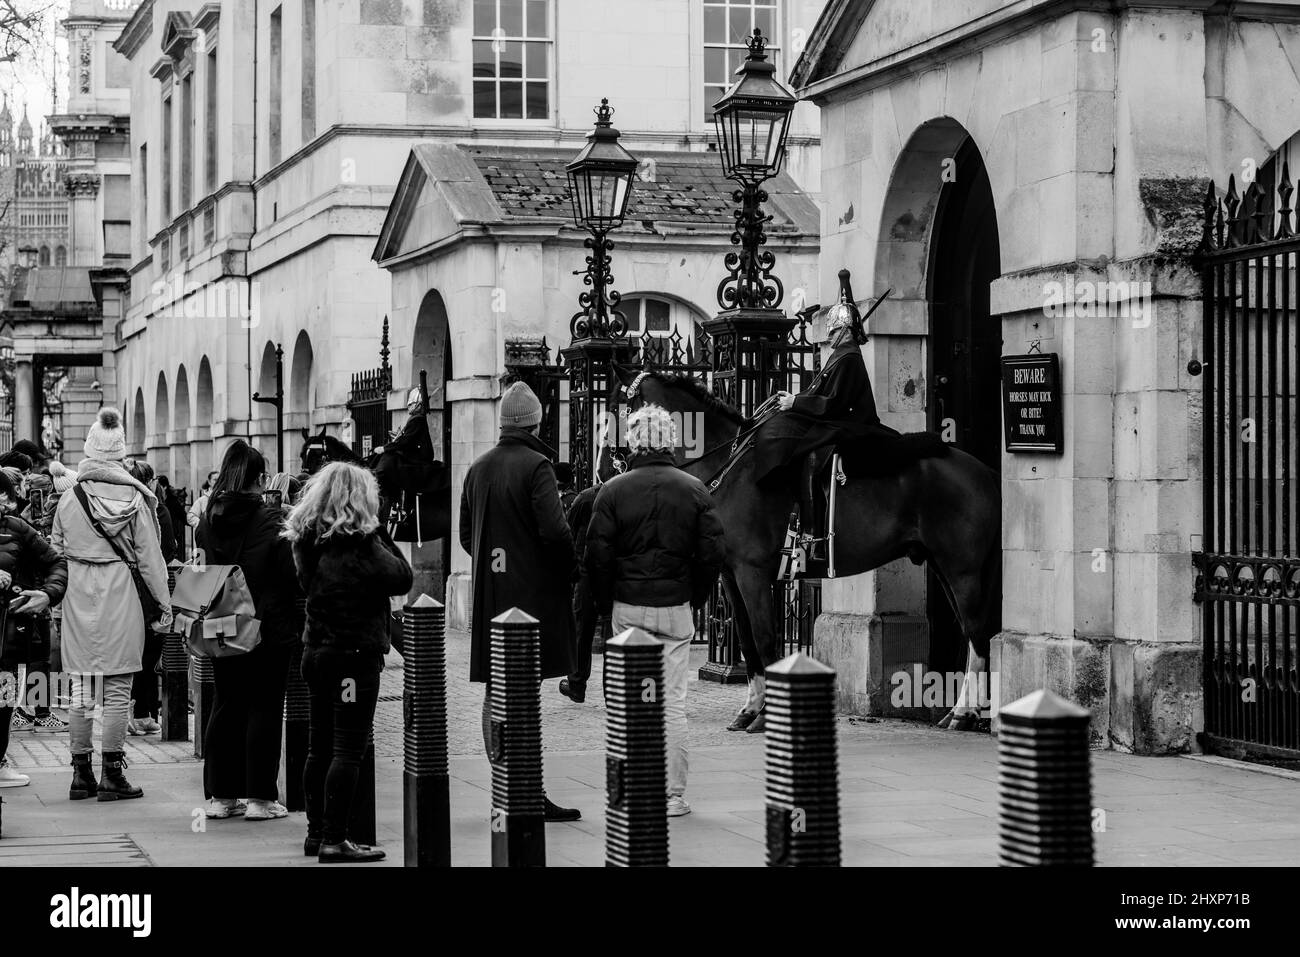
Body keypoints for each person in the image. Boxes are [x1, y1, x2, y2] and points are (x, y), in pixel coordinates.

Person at [585, 404, 726, 818]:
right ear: (669, 440)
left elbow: (597, 556)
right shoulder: (695, 489)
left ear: (632, 440)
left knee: (630, 703)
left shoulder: (612, 491)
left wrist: (606, 601)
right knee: (673, 703)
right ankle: (673, 794)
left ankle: (631, 789)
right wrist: (693, 596)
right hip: (675, 606)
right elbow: (712, 553)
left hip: (628, 606)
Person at [459, 381, 581, 822]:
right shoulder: (538, 466)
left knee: (498, 686)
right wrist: (566, 570)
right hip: (531, 596)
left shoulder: (476, 468)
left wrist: (498, 566)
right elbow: (555, 530)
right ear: (536, 421)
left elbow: (467, 537)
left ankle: (505, 781)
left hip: (493, 595)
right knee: (525, 691)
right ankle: (524, 787)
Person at [284, 461, 412, 862]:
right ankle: (335, 838)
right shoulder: (360, 543)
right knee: (347, 749)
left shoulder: (307, 539)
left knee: (318, 746)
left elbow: (306, 584)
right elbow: (402, 577)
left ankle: (316, 832)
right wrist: (379, 529)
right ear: (360, 499)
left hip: (316, 651)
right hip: (352, 655)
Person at [52, 407, 171, 802]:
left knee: (82, 687)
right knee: (119, 687)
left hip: (77, 595)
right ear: (120, 453)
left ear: (88, 449)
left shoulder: (70, 498)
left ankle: (80, 775)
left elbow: (56, 553)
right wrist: (164, 605)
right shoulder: (135, 500)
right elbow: (151, 560)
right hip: (121, 592)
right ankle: (112, 774)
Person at [197, 441, 304, 822]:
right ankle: (260, 797)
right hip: (268, 625)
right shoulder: (271, 520)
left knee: (226, 705)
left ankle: (221, 797)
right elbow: (291, 576)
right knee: (265, 705)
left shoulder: (208, 519)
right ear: (261, 479)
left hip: (224, 621)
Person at [0, 470, 68, 788]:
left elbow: (55, 562)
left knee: (5, 695)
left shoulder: (18, 527)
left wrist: (47, 594)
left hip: (11, 628)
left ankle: (2, 757)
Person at [122, 460, 173, 737]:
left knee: (132, 654)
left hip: (124, 591)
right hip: (148, 594)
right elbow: (156, 559)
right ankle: (137, 711)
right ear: (150, 482)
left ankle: (141, 712)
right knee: (148, 653)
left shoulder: (121, 507)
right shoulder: (153, 511)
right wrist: (164, 605)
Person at [559, 479, 599, 704]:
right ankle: (612, 689)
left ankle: (576, 683)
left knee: (582, 629)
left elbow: (569, 534)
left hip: (585, 573)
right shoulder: (626, 494)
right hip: (613, 573)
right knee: (616, 632)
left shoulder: (584, 499)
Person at [155, 476, 188, 561]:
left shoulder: (172, 501)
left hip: (173, 534)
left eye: (158, 486)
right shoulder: (156, 501)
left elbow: (183, 516)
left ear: (164, 487)